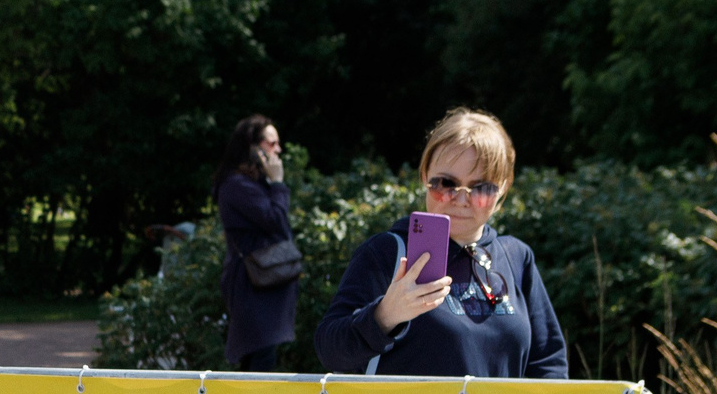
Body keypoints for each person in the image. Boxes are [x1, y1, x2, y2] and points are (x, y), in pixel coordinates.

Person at [314, 108, 567, 380]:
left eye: (481, 187)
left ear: (503, 188)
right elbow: (329, 349)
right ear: (425, 176)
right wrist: (384, 316)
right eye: (446, 183)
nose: (460, 200)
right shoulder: (387, 253)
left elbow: (549, 366)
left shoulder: (516, 257)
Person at [214, 114, 296, 372]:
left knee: (259, 361)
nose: (278, 150)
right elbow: (277, 221)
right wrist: (278, 183)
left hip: (261, 285)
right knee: (260, 362)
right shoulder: (236, 185)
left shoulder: (251, 183)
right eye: (272, 143)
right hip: (251, 287)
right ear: (252, 145)